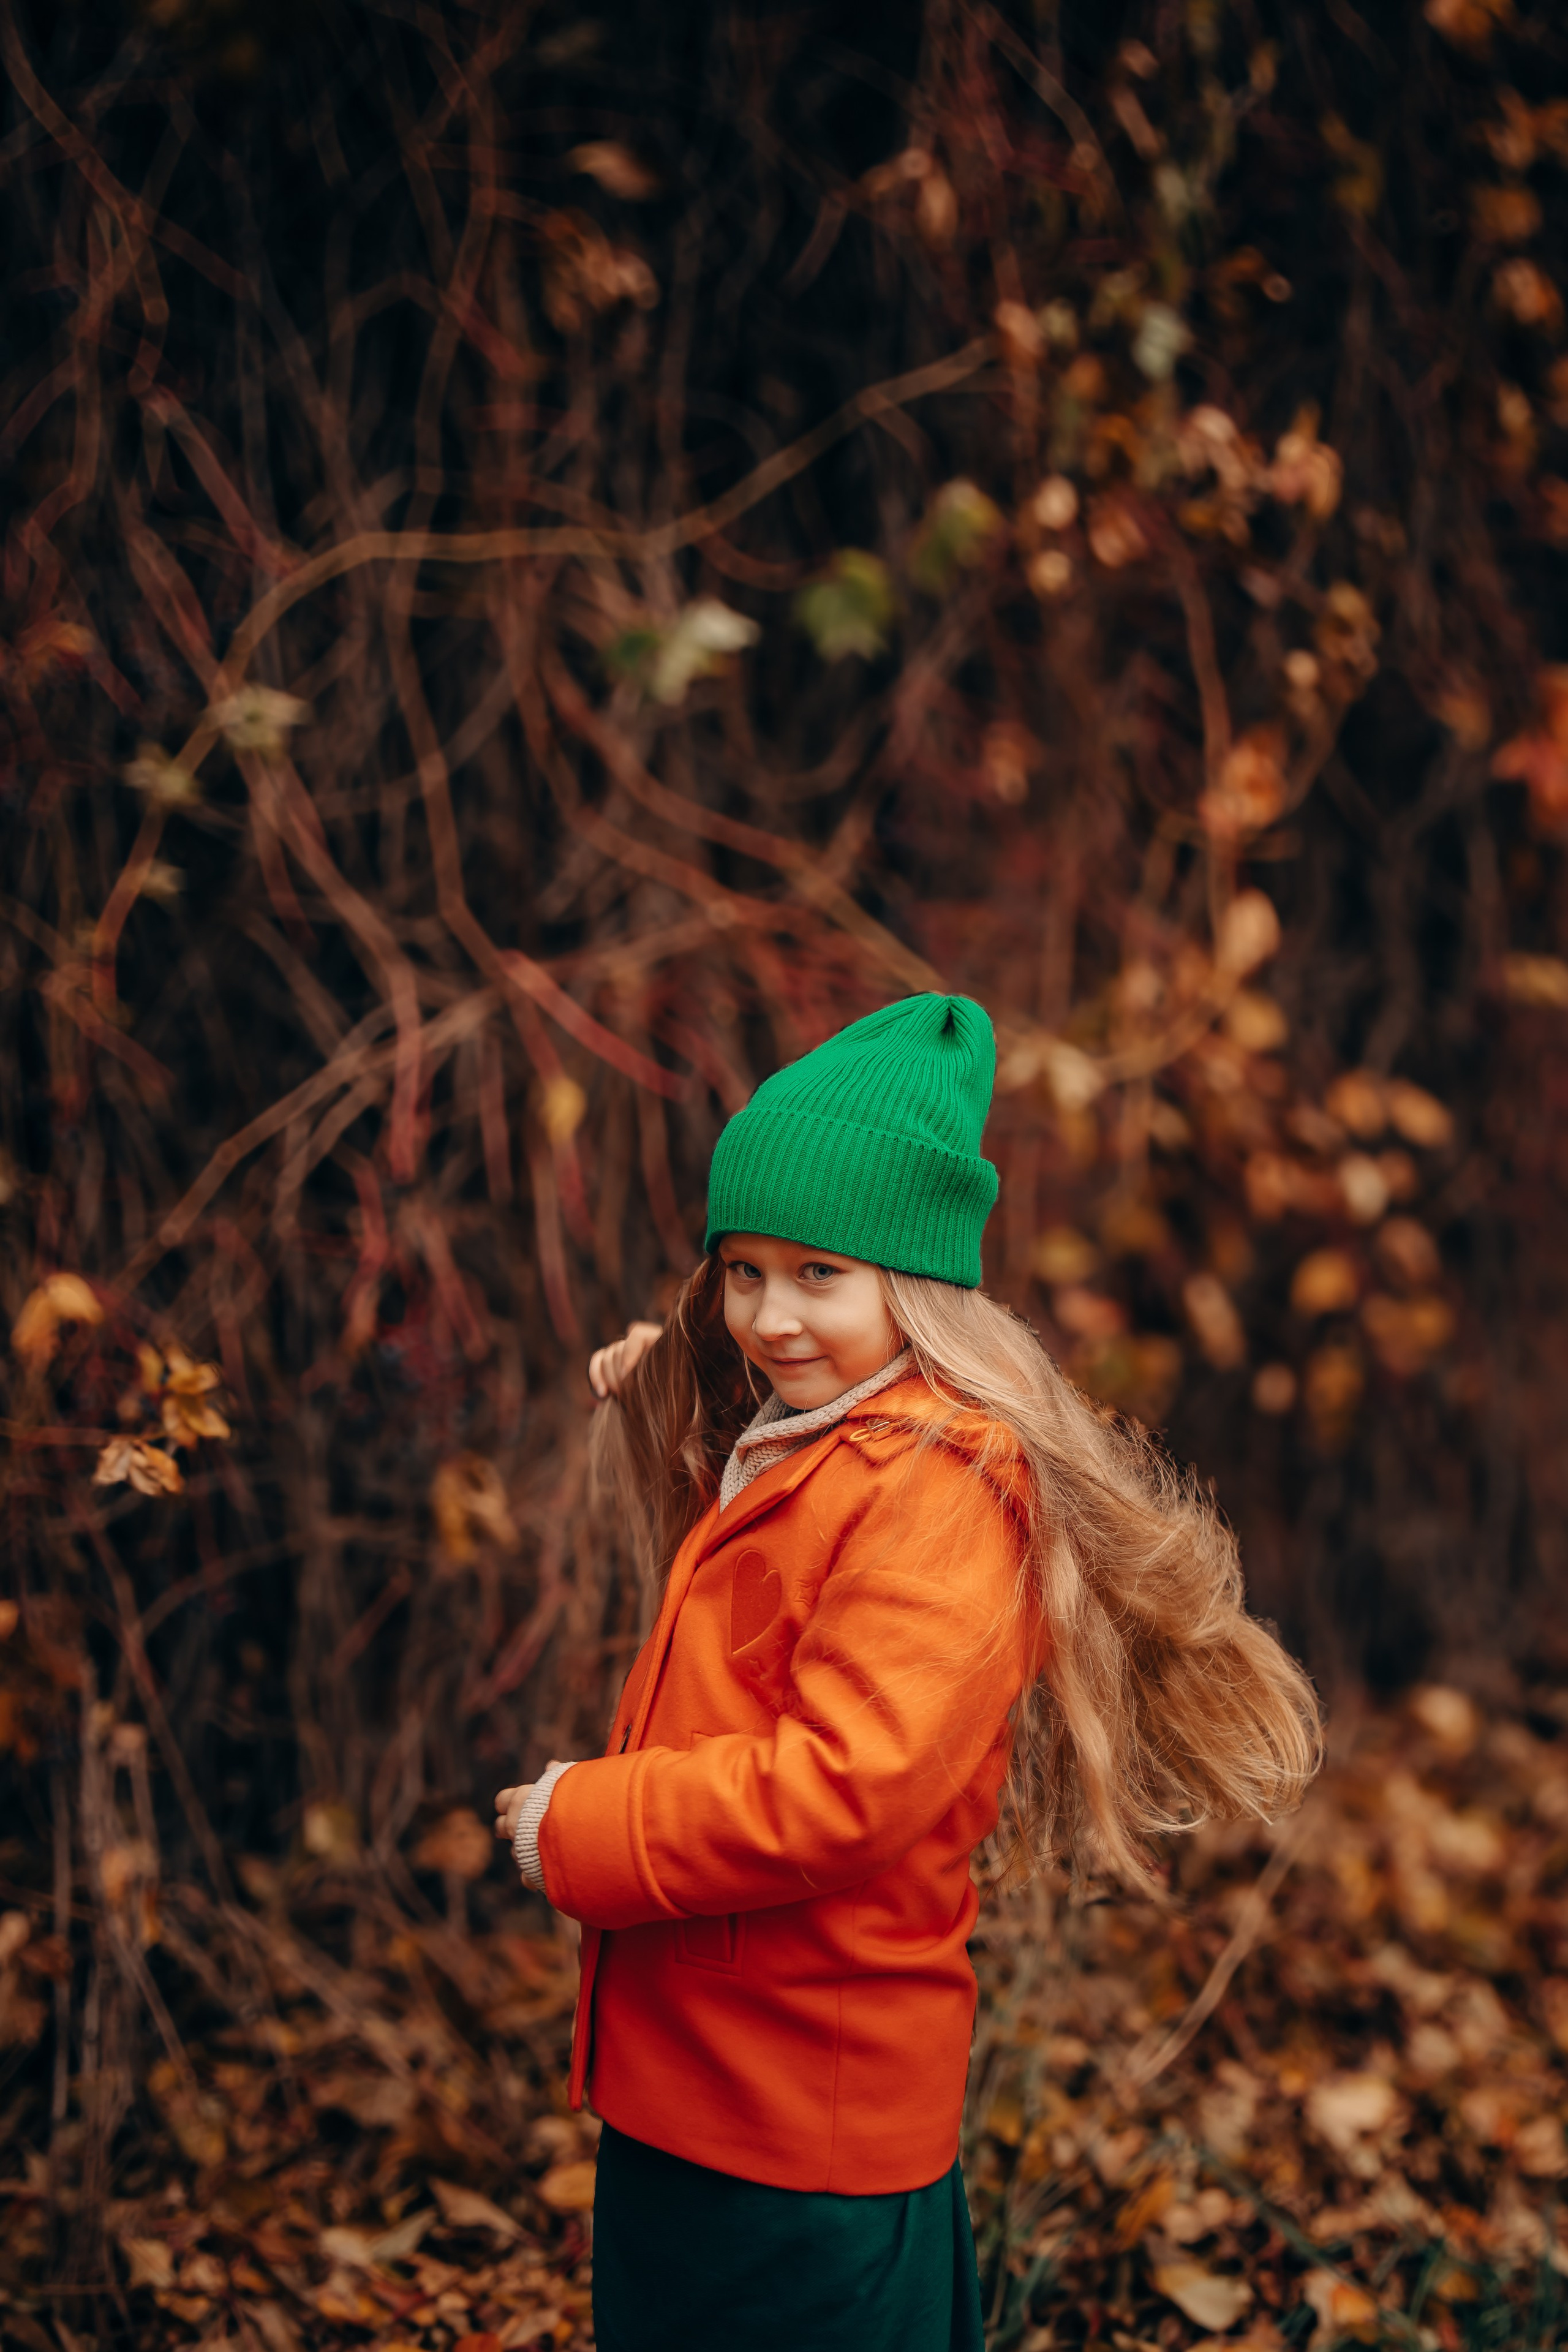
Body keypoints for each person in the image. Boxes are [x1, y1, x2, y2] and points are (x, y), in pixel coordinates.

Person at [494, 992, 1321, 2352]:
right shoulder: (820, 1437)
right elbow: (775, 1551)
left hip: (798, 2132)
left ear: (917, 1283)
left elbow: (846, 1785)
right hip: (699, 2084)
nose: (770, 1315)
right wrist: (675, 1384)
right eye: (742, 1271)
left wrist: (577, 1822)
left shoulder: (941, 1490)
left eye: (820, 1274)